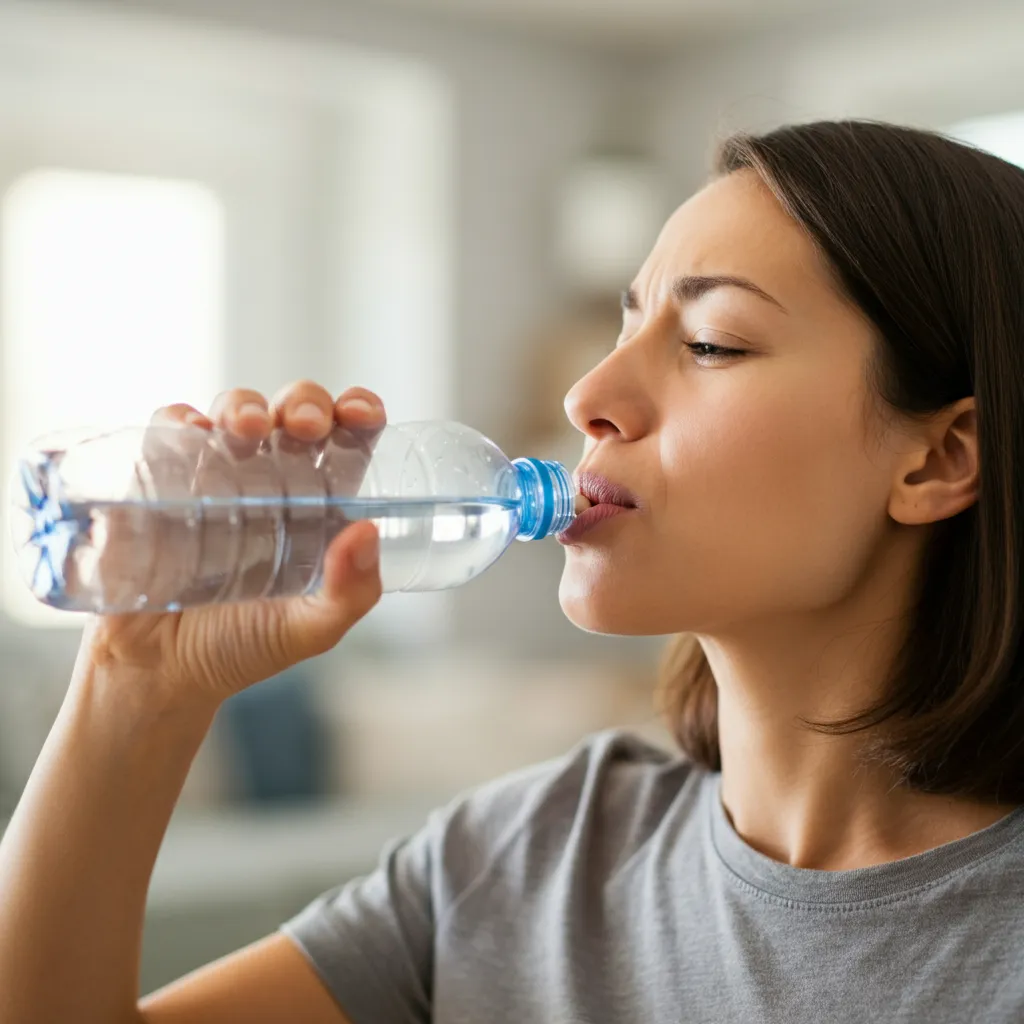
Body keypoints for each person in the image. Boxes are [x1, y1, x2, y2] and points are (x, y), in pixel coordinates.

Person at [2, 118, 1023, 1024]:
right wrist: (139, 683)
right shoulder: (524, 859)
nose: (588, 393)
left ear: (937, 459)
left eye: (711, 342)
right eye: (628, 323)